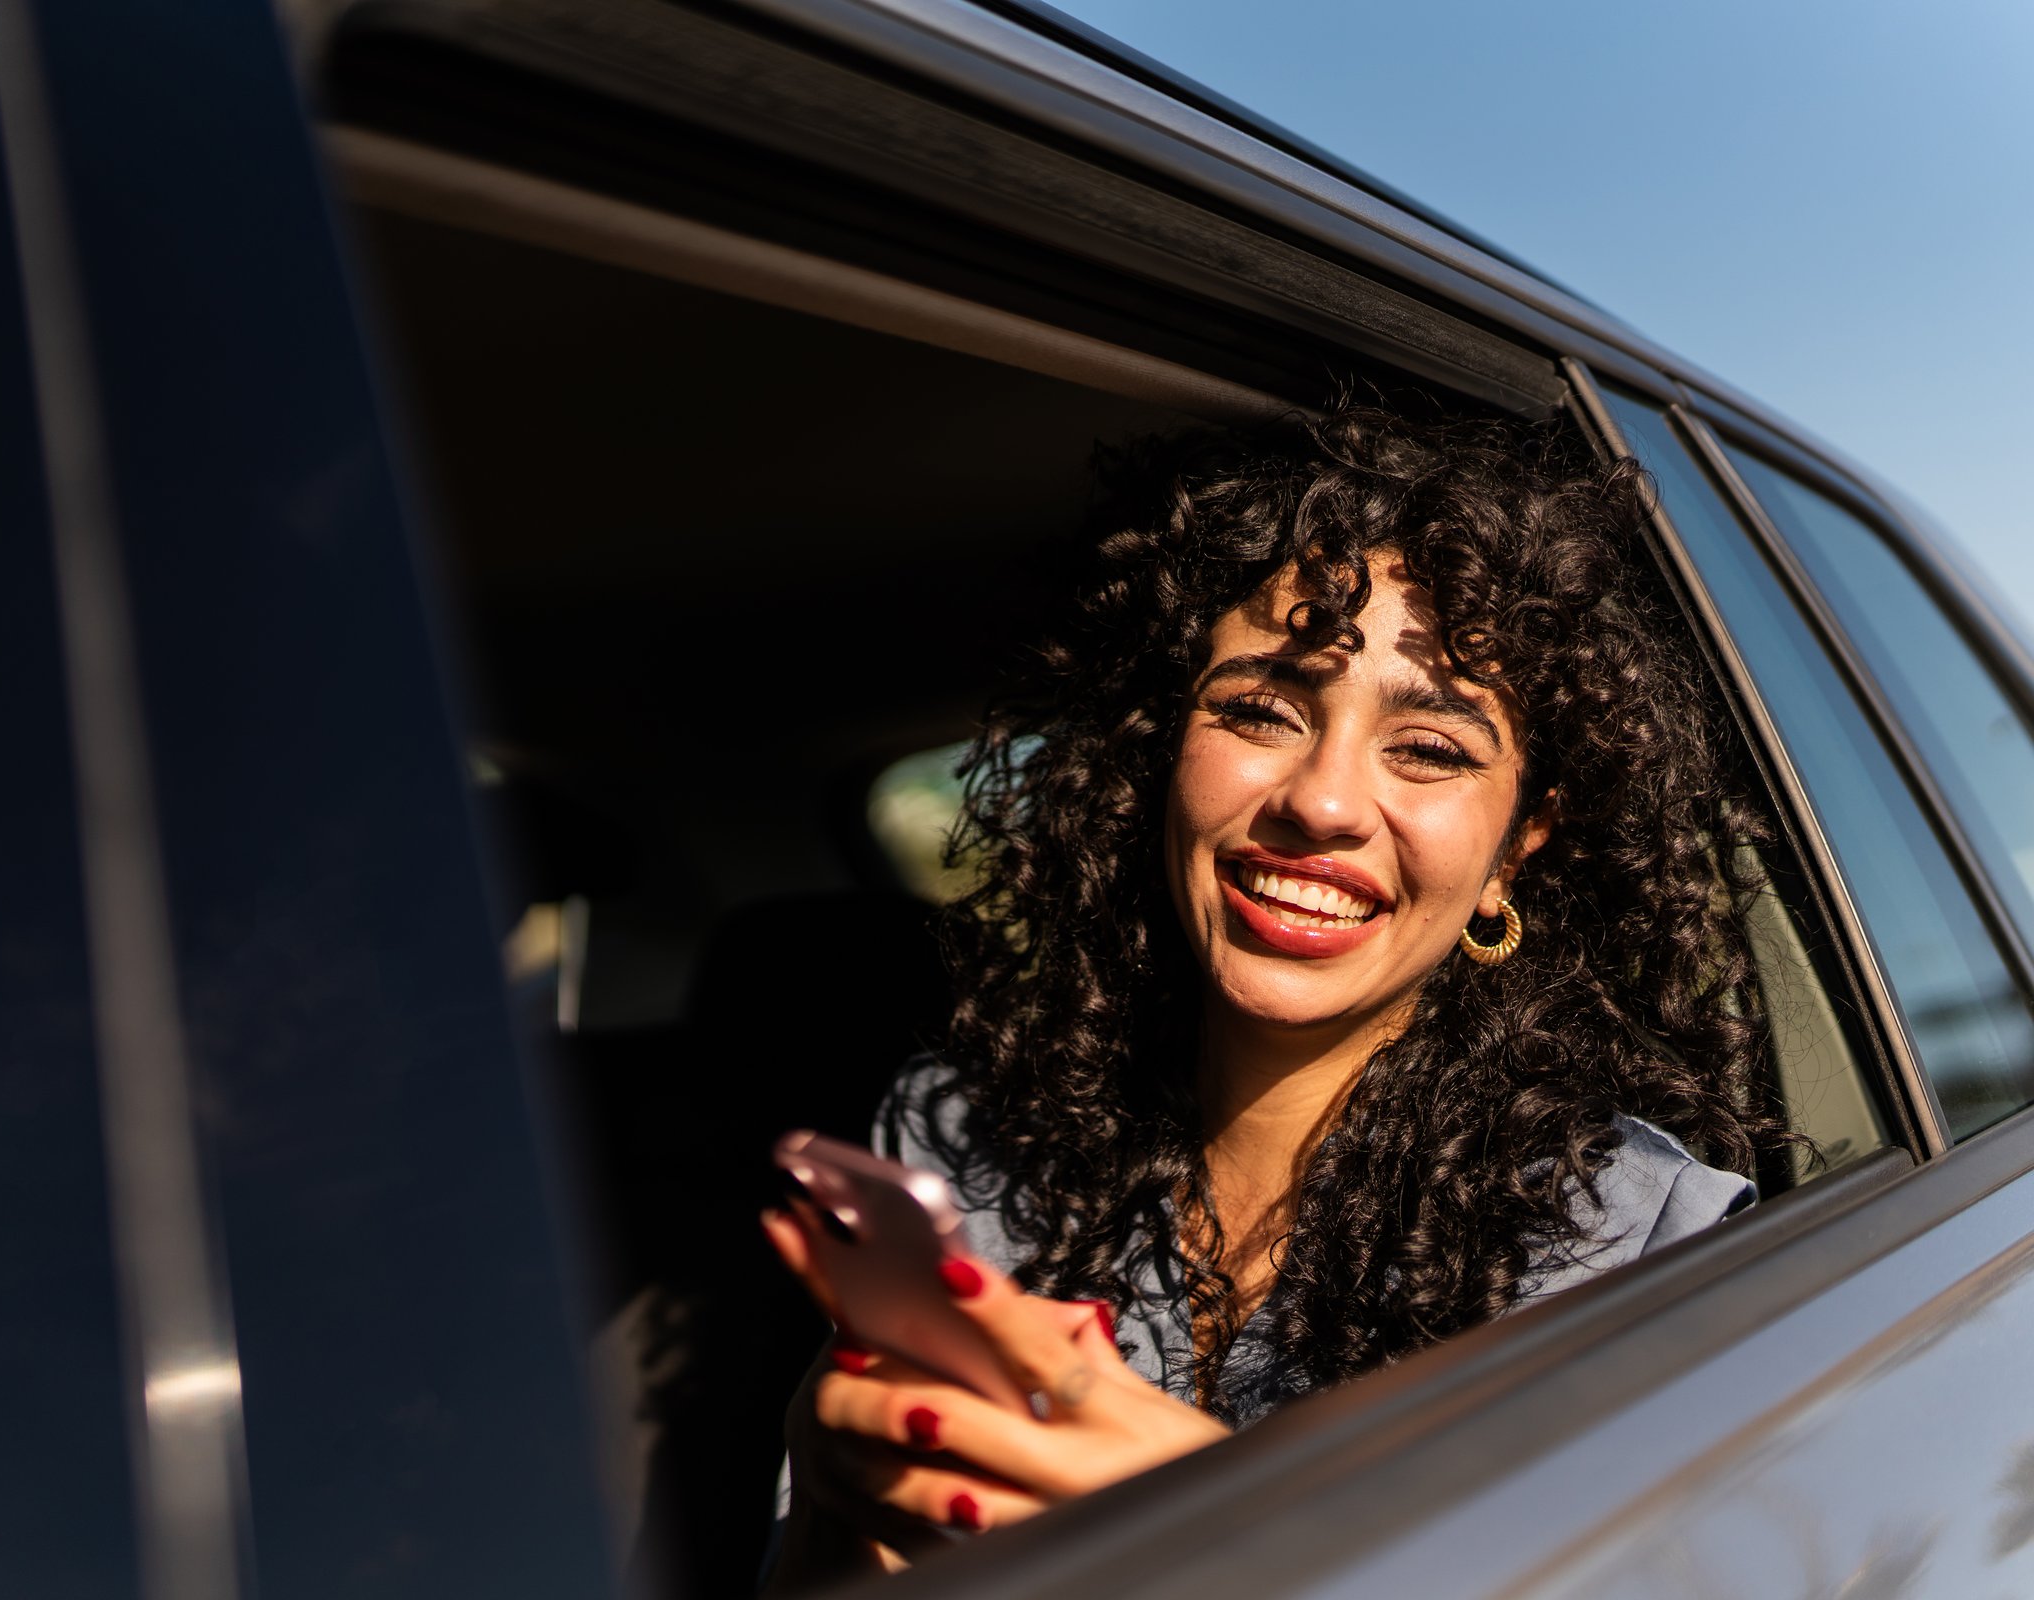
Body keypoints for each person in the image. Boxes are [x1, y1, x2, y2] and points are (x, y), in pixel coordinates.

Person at [758, 404, 1792, 1587]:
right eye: (1260, 710)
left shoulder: (1635, 1249)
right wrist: (837, 1503)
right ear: (1160, 756)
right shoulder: (959, 1137)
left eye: (1433, 749)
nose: (1324, 802)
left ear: (1519, 845)